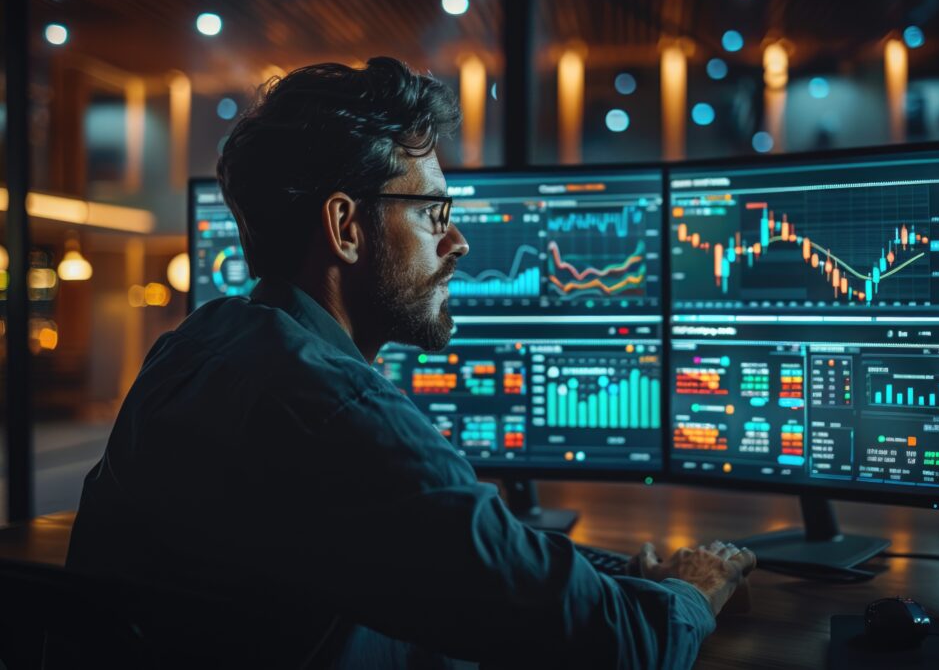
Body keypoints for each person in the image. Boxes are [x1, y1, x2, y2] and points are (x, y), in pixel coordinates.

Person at [66, 57, 756, 668]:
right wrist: (690, 590)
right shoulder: (337, 415)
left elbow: (433, 563)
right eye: (432, 212)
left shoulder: (191, 349)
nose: (457, 241)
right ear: (345, 227)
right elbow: (618, 647)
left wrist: (581, 575)